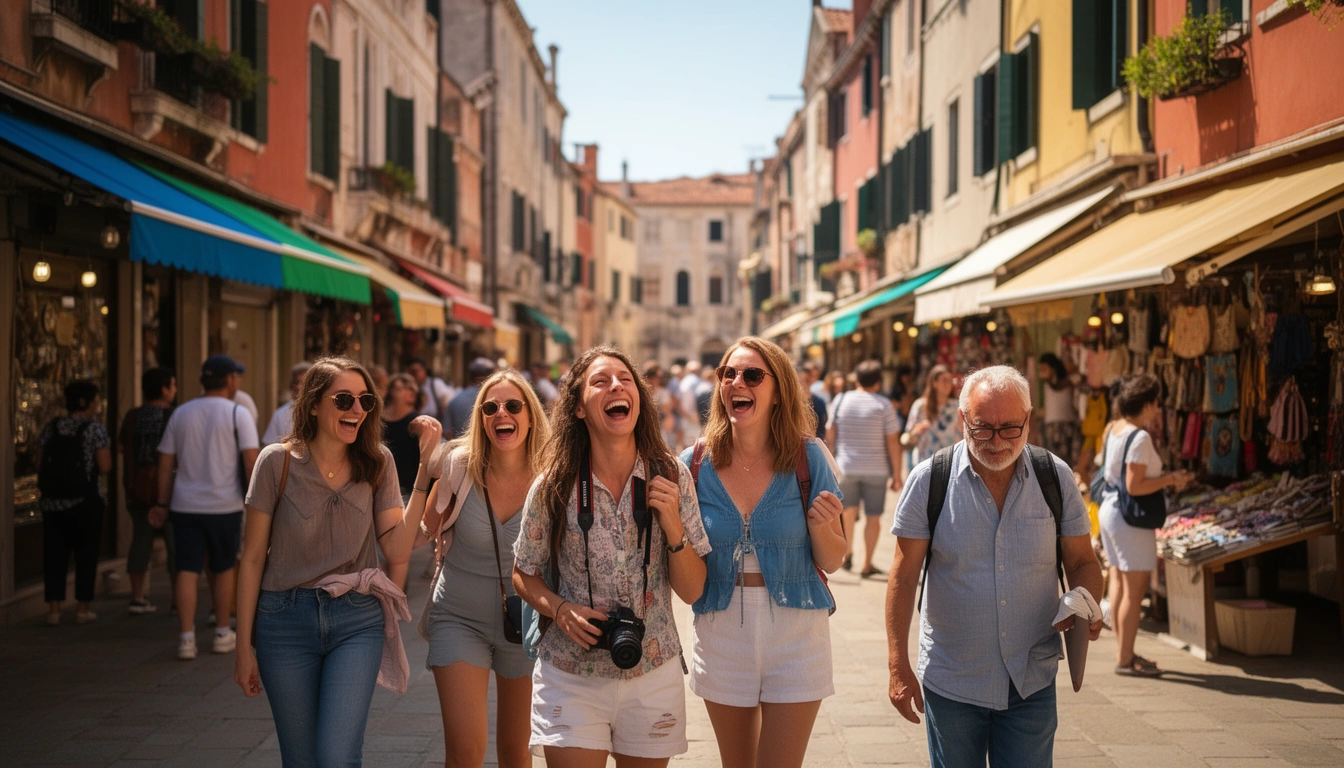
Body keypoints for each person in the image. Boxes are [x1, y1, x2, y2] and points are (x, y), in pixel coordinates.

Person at [886, 366, 1105, 767]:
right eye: (983, 428)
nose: (998, 441)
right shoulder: (929, 480)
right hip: (952, 681)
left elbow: (1082, 561)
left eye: (1010, 428)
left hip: (1030, 681)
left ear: (1029, 420)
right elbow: (902, 576)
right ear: (962, 420)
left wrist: (1085, 601)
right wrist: (897, 665)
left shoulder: (1054, 477)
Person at [234, 357, 442, 766]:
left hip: (356, 620)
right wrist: (243, 646)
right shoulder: (275, 462)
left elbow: (398, 550)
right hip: (283, 621)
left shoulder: (377, 462)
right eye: (344, 399)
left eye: (365, 400)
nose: (356, 410)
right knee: (300, 758)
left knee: (336, 755)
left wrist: (424, 471)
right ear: (313, 404)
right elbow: (253, 558)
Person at [513, 346, 711, 766]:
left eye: (625, 379)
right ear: (579, 408)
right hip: (570, 673)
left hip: (652, 668)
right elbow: (523, 573)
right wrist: (560, 608)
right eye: (600, 381)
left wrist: (673, 524)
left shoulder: (672, 476)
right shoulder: (554, 484)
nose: (616, 386)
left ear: (638, 398)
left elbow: (693, 591)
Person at [683, 337, 846, 768]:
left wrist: (821, 526)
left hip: (797, 632)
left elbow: (833, 559)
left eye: (752, 375)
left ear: (777, 392)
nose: (738, 382)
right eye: (728, 374)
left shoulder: (808, 457)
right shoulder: (694, 463)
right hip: (720, 630)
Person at [421, 369, 551, 768]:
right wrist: (428, 469)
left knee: (516, 754)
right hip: (459, 617)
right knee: (464, 753)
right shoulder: (459, 465)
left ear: (529, 415)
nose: (501, 414)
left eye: (512, 406)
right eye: (490, 408)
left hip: (526, 625)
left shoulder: (553, 474)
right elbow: (427, 528)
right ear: (480, 419)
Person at [151, 355, 260, 660]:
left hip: (184, 505)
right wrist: (259, 504)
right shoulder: (238, 413)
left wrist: (162, 502)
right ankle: (222, 632)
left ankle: (186, 638)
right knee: (223, 567)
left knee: (186, 569)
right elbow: (252, 462)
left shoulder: (181, 413)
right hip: (225, 505)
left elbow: (165, 464)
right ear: (229, 381)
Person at [1097, 374, 1193, 678]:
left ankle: (1124, 651)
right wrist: (1171, 479)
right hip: (1129, 518)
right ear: (1148, 404)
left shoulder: (1113, 428)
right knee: (1134, 592)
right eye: (1156, 403)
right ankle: (1124, 660)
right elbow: (1135, 485)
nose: (1158, 409)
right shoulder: (1139, 436)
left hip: (1111, 511)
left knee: (1120, 583)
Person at [38, 380, 112, 626]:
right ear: (89, 402)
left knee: (54, 555)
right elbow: (105, 466)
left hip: (52, 503)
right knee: (86, 554)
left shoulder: (53, 427)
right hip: (85, 502)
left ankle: (54, 610)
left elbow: (40, 462)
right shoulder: (95, 429)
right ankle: (82, 608)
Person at [826, 360, 903, 577]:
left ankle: (848, 553)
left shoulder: (840, 400)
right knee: (873, 517)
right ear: (878, 383)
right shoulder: (884, 405)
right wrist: (897, 474)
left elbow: (830, 435)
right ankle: (867, 564)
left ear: (856, 379)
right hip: (876, 470)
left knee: (847, 512)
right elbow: (893, 441)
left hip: (846, 467)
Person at [118, 368, 178, 615]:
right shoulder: (174, 415)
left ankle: (137, 596)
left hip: (138, 489)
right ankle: (178, 600)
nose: (174, 390)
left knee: (140, 542)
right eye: (172, 385)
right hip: (171, 491)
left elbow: (122, 448)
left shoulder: (132, 416)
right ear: (164, 388)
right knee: (175, 545)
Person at [901, 365, 962, 467]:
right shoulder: (920, 406)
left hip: (949, 464)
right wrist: (917, 430)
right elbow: (909, 437)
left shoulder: (957, 406)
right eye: (944, 380)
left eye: (950, 380)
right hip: (924, 464)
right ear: (934, 383)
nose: (948, 384)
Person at [383, 373, 428, 504]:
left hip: (407, 490)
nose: (409, 390)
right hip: (379, 486)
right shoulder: (377, 420)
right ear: (391, 391)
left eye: (412, 388)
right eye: (403, 387)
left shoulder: (418, 422)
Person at [1037, 353, 1083, 471]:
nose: (1041, 372)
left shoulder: (1069, 381)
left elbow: (1080, 376)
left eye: (1044, 368)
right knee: (1054, 462)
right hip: (1052, 428)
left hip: (1068, 425)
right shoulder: (1047, 384)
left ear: (1053, 368)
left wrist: (1067, 366)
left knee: (1068, 462)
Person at [261, 362, 313, 446]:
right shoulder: (279, 415)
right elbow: (269, 446)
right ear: (291, 386)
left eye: (304, 382)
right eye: (296, 383)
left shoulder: (324, 411)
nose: (299, 387)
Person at [446, 357, 498, 439]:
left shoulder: (455, 400)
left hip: (461, 449)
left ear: (469, 376)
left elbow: (447, 432)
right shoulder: (499, 400)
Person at [408, 357, 454, 423]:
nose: (413, 375)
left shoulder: (436, 384)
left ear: (424, 370)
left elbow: (448, 404)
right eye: (410, 372)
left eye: (416, 371)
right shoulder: (408, 388)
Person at [797, 361, 828, 440]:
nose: (811, 379)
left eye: (815, 376)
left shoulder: (819, 402)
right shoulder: (787, 399)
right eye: (809, 374)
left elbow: (821, 431)